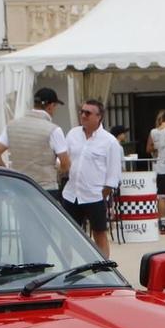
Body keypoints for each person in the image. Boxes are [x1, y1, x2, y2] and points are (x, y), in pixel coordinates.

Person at [62, 98, 123, 256]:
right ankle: (66, 270)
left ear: (99, 117)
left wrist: (101, 194)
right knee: (67, 234)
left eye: (87, 113)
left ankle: (104, 270)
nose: (83, 115)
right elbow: (64, 158)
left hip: (94, 196)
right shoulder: (73, 134)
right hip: (71, 194)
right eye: (82, 112)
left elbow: (113, 175)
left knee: (99, 233)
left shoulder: (110, 142)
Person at [0, 87, 70, 193]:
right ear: (51, 106)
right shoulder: (54, 130)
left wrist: (10, 175)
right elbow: (65, 163)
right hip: (45, 189)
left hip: (19, 186)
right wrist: (56, 173)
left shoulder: (12, 125)